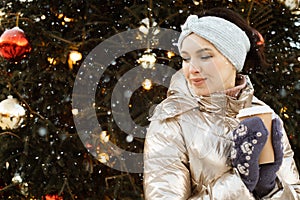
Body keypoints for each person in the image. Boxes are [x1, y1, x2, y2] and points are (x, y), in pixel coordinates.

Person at [143, 7, 300, 199]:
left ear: (233, 59)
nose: (192, 68)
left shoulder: (265, 116)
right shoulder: (171, 119)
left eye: (205, 56)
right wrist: (239, 183)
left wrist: (269, 187)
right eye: (186, 58)